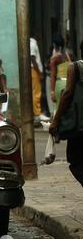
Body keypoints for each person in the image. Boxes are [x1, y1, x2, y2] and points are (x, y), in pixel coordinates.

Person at [49, 40, 83, 187]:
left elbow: (68, 94)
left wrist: (56, 120)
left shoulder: (75, 67)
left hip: (80, 125)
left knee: (75, 161)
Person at [49, 34, 75, 113]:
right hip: (70, 83)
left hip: (59, 84)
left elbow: (53, 76)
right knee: (68, 109)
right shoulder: (70, 54)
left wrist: (52, 91)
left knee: (59, 110)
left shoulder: (54, 59)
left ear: (54, 45)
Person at [31, 36, 50, 124]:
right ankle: (37, 114)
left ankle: (36, 114)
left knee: (34, 92)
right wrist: (39, 73)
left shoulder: (30, 42)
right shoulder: (32, 42)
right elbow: (33, 58)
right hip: (34, 70)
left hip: (32, 69)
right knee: (36, 93)